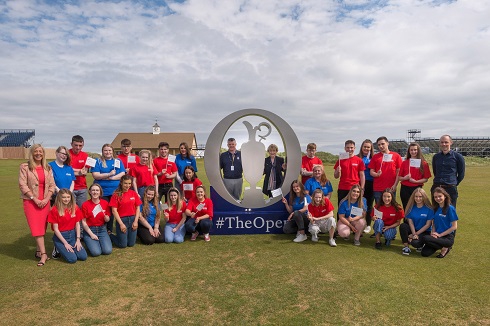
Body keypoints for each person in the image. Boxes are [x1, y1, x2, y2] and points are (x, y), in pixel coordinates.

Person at [18, 144, 55, 266]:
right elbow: (23, 185)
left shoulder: (47, 168)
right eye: (36, 151)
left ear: (43, 154)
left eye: (40, 151)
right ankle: (44, 255)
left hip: (45, 201)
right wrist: (34, 199)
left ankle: (39, 251)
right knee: (36, 228)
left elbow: (52, 185)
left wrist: (46, 199)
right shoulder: (25, 167)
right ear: (32, 153)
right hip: (31, 202)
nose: (38, 153)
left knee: (42, 227)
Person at [92, 144, 126, 232]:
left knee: (113, 211)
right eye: (106, 150)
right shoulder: (98, 161)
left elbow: (122, 173)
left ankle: (109, 230)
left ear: (113, 151)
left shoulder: (117, 161)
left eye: (110, 150)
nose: (108, 152)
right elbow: (95, 175)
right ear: (102, 151)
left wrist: (112, 178)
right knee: (103, 210)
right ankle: (101, 229)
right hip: (102, 191)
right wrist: (108, 174)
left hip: (115, 191)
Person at [48, 189, 88, 264]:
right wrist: (65, 243)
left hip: (72, 235)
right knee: (72, 259)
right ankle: (57, 248)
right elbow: (56, 230)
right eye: (64, 197)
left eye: (68, 197)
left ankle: (67, 248)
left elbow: (77, 224)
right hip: (61, 236)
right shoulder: (54, 210)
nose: (66, 199)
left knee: (83, 257)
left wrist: (78, 240)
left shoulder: (74, 207)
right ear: (59, 197)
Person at [420, 187, 458, 258]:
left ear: (445, 196)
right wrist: (433, 233)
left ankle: (446, 247)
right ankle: (443, 246)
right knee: (424, 253)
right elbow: (434, 223)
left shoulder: (450, 208)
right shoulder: (435, 208)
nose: (438, 198)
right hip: (436, 236)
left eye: (440, 196)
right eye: (435, 197)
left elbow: (454, 226)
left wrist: (440, 235)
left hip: (447, 237)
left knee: (425, 238)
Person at [431, 135, 465, 208]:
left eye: (446, 142)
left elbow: (461, 174)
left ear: (451, 142)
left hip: (450, 188)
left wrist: (453, 183)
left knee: (450, 211)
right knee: (436, 211)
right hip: (437, 187)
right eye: (442, 142)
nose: (444, 144)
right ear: (439, 143)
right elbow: (435, 172)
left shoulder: (458, 157)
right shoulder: (436, 157)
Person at [109, 175, 142, 248]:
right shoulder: (116, 194)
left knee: (131, 244)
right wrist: (121, 224)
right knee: (123, 245)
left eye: (129, 183)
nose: (128, 185)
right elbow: (114, 211)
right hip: (122, 220)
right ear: (121, 183)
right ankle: (110, 235)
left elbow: (138, 208)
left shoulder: (133, 193)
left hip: (133, 219)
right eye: (125, 183)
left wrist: (136, 221)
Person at [368, 137, 403, 204]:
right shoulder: (375, 157)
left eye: (382, 144)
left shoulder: (396, 156)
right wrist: (376, 174)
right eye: (379, 145)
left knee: (391, 208)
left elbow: (399, 172)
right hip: (378, 188)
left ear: (387, 143)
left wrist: (395, 185)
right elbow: (371, 171)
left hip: (391, 188)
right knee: (379, 209)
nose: (381, 146)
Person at [397, 143, 431, 210]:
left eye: (415, 150)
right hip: (405, 188)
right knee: (406, 207)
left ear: (418, 151)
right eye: (411, 150)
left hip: (417, 188)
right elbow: (399, 177)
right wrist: (405, 178)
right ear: (409, 151)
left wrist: (416, 181)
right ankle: (407, 220)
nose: (413, 152)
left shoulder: (423, 163)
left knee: (416, 207)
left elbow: (426, 179)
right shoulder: (404, 163)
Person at [399, 188, 433, 256]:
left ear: (424, 197)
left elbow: (428, 225)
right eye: (416, 196)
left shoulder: (429, 209)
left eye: (420, 196)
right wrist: (414, 234)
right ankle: (406, 247)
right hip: (414, 230)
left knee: (415, 244)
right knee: (403, 226)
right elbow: (410, 223)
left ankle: (421, 244)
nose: (418, 199)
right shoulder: (411, 208)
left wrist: (416, 234)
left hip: (424, 231)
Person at [81, 183, 112, 257]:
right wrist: (91, 234)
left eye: (97, 190)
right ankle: (87, 241)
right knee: (96, 253)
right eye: (93, 190)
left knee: (107, 251)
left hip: (102, 229)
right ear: (90, 192)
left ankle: (97, 242)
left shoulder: (105, 203)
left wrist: (107, 218)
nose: (95, 192)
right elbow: (83, 222)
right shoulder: (85, 204)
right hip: (90, 230)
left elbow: (107, 219)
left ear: (100, 192)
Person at [333, 140, 365, 209]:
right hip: (343, 187)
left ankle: (354, 220)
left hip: (355, 188)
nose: (350, 149)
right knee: (341, 208)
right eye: (348, 148)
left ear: (354, 148)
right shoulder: (340, 160)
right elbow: (335, 176)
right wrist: (337, 172)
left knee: (355, 209)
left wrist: (362, 188)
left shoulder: (359, 160)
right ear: (345, 148)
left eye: (351, 147)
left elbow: (362, 175)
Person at [358, 139, 375, 234]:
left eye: (368, 147)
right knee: (358, 205)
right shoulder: (357, 157)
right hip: (358, 183)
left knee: (369, 205)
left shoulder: (374, 158)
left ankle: (368, 225)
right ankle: (357, 223)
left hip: (371, 183)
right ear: (362, 147)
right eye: (365, 146)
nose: (366, 148)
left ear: (371, 148)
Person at [69, 135, 89, 207]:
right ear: (71, 144)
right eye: (76, 145)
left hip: (82, 187)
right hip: (70, 187)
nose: (78, 148)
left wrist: (74, 171)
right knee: (71, 209)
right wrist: (79, 171)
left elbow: (85, 171)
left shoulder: (85, 155)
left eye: (80, 145)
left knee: (82, 210)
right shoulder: (67, 154)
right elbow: (67, 170)